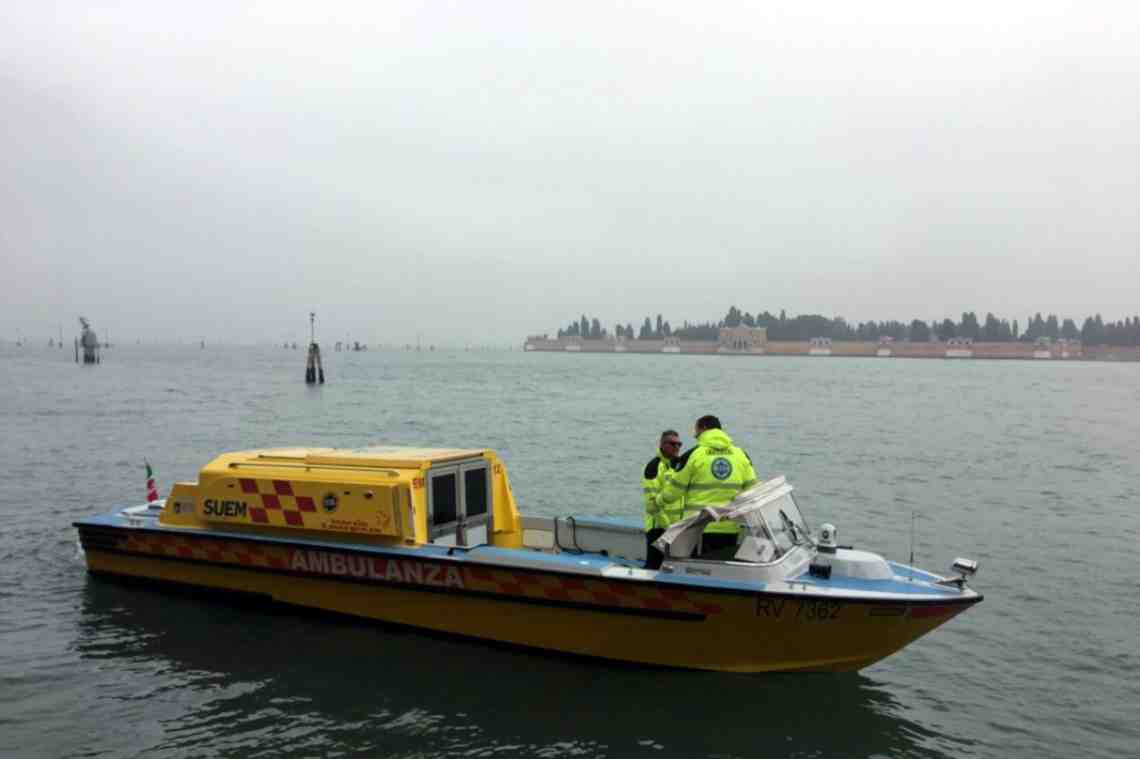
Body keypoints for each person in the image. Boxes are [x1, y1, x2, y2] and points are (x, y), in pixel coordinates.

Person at [655, 415, 758, 559]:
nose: (694, 435)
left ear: (703, 428)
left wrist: (659, 500)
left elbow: (674, 491)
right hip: (730, 528)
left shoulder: (693, 455)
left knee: (698, 571)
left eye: (696, 430)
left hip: (699, 528)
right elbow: (753, 491)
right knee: (722, 570)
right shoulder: (741, 455)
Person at [642, 429, 682, 569]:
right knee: (653, 567)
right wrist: (667, 526)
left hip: (674, 528)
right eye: (673, 444)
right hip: (658, 528)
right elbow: (651, 504)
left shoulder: (678, 467)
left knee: (672, 569)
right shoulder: (653, 467)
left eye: (679, 444)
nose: (677, 447)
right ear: (662, 445)